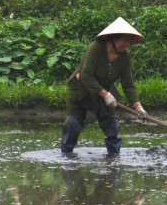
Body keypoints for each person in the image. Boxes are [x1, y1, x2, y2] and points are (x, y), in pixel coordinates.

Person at [61, 17, 148, 154]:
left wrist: (138, 106)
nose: (127, 45)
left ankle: (113, 159)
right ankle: (66, 156)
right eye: (125, 40)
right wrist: (105, 94)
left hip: (104, 91)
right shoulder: (96, 48)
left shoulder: (124, 58)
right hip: (80, 89)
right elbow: (85, 75)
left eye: (129, 42)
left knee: (112, 125)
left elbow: (128, 84)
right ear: (114, 38)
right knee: (72, 124)